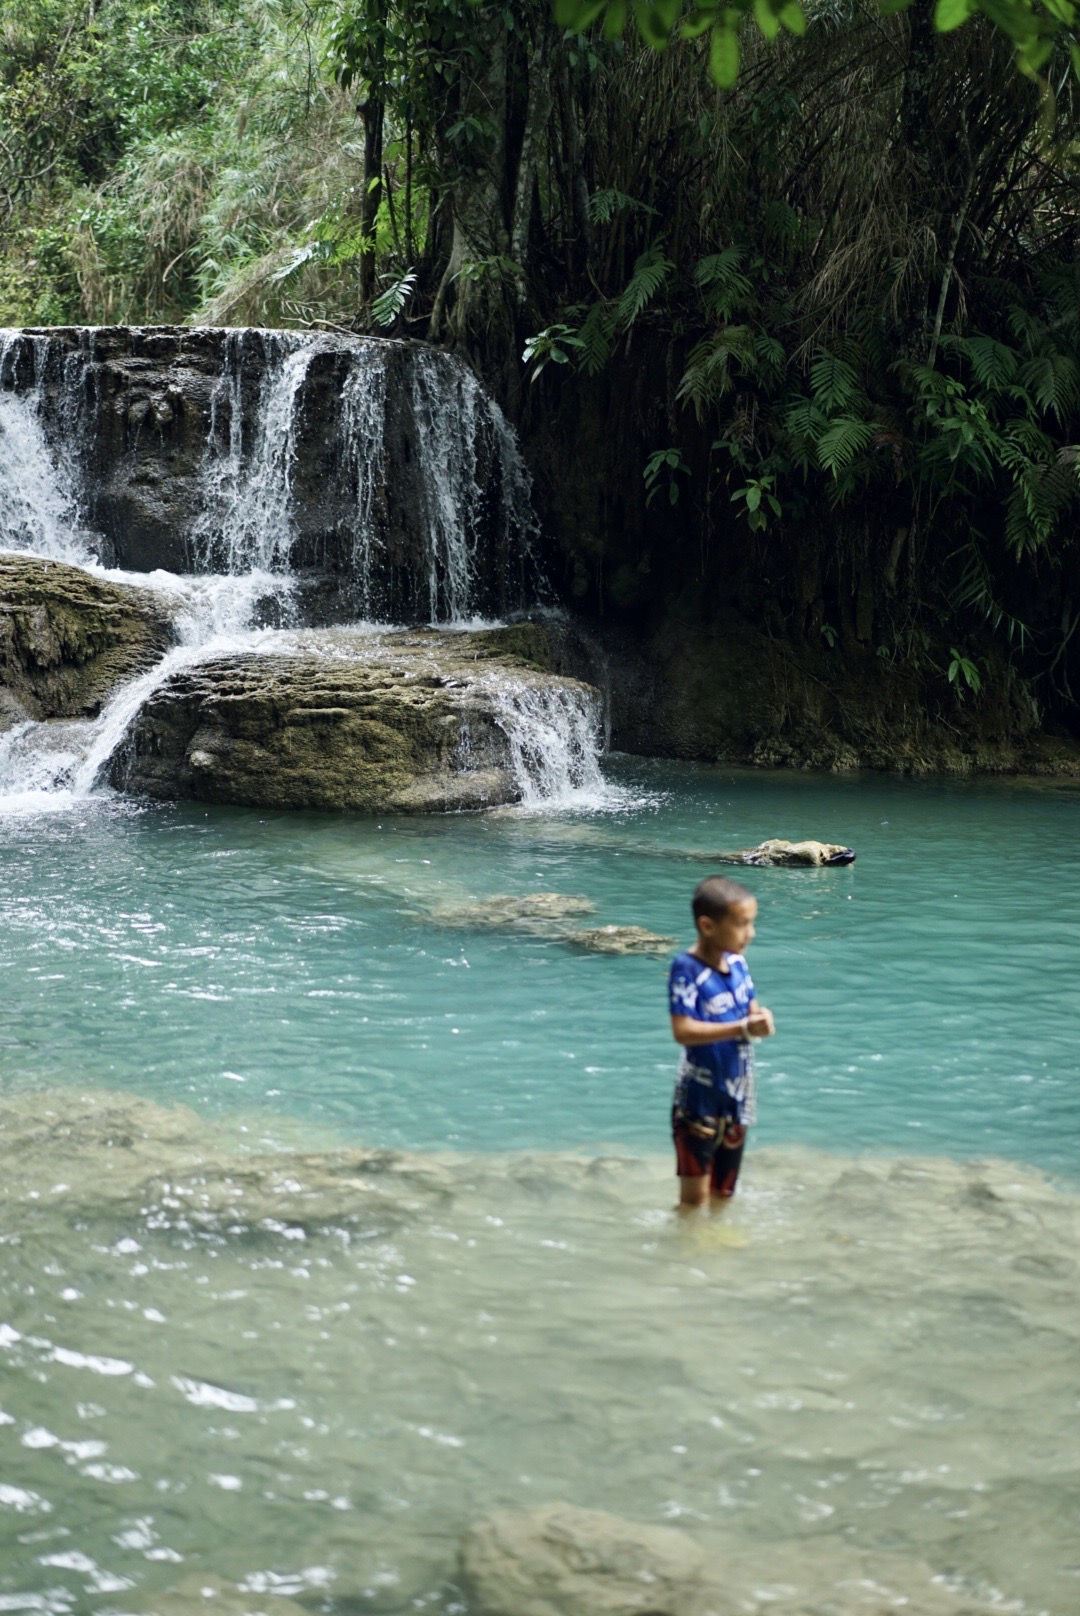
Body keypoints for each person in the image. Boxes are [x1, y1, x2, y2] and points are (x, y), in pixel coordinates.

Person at [668, 875, 776, 1210]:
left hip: (738, 1097)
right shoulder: (686, 969)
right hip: (698, 1102)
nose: (751, 933)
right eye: (742, 924)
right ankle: (688, 1256)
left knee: (725, 1193)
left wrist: (760, 1022)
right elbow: (683, 1030)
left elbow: (751, 1012)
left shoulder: (739, 963)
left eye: (751, 923)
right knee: (693, 1201)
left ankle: (718, 1257)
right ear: (708, 926)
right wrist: (742, 1028)